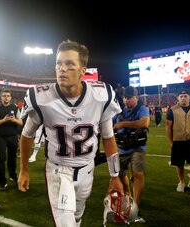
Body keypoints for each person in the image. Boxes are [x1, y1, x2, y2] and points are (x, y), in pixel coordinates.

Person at [18, 39, 124, 227]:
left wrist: (115, 176)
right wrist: (24, 169)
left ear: (83, 70)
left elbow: (108, 137)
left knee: (77, 217)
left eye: (69, 64)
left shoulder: (101, 95)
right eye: (59, 63)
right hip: (59, 170)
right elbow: (27, 135)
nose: (62, 69)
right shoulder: (40, 97)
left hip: (87, 169)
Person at [112, 86, 150, 223]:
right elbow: (110, 127)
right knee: (120, 175)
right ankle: (128, 194)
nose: (127, 100)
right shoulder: (118, 111)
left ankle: (135, 207)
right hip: (121, 149)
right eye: (125, 97)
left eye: (130, 97)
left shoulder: (142, 108)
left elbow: (144, 123)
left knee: (138, 174)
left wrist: (123, 124)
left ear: (136, 98)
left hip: (137, 148)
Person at [166, 90, 190, 193]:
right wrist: (171, 142)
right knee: (179, 163)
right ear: (178, 98)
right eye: (181, 96)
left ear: (189, 97)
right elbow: (168, 127)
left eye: (185, 96)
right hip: (178, 141)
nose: (183, 98)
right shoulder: (172, 110)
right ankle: (181, 182)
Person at [0, 89, 23, 190]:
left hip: (12, 136)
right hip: (1, 136)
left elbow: (21, 122)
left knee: (12, 158)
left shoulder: (15, 108)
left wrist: (14, 120)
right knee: (1, 158)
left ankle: (12, 175)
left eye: (8, 96)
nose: (6, 97)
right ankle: (2, 181)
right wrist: (4, 120)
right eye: (4, 96)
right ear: (1, 97)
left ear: (10, 97)